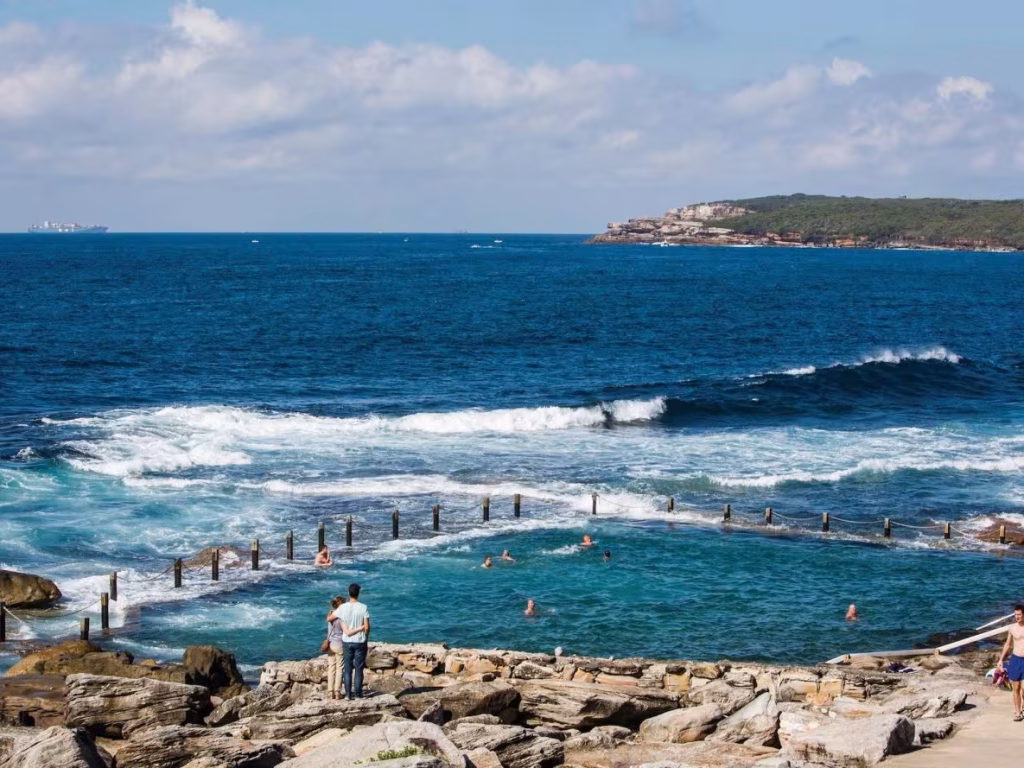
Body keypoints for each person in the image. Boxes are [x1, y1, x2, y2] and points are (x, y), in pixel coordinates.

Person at [332, 582, 371, 700]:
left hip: (346, 641)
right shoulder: (363, 607)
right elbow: (367, 627)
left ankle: (348, 694)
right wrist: (366, 637)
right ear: (358, 593)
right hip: (360, 641)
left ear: (349, 593)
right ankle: (358, 693)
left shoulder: (342, 607)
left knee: (348, 669)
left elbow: (331, 617)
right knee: (359, 668)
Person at [997, 604, 1024, 720]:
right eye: (1015, 615)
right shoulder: (1012, 628)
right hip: (1015, 660)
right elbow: (1008, 645)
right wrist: (1001, 659)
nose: (1017, 617)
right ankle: (1018, 712)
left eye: (1019, 614)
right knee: (1016, 688)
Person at [324, 596, 345, 699]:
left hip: (330, 643)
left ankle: (330, 691)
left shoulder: (331, 613)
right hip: (339, 643)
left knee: (331, 667)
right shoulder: (342, 615)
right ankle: (337, 692)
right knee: (340, 668)